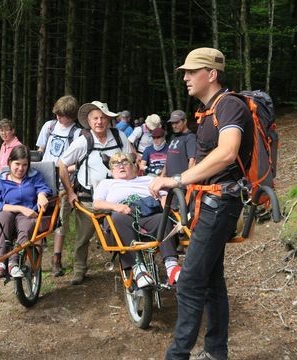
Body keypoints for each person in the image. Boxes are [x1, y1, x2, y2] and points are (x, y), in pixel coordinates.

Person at [149, 48, 253, 360]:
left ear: (212, 74)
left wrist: (177, 179)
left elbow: (227, 153)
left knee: (190, 282)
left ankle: (178, 355)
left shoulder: (230, 106)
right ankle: (216, 352)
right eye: (184, 72)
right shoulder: (207, 112)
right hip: (211, 202)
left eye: (192, 71)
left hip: (221, 203)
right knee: (210, 281)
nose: (185, 77)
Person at [58, 101, 132, 285]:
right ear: (89, 121)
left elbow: (132, 159)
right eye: (95, 118)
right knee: (83, 237)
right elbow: (62, 164)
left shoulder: (119, 136)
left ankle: (130, 266)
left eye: (103, 118)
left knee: (125, 231)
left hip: (117, 197)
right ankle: (79, 270)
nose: (99, 122)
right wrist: (70, 192)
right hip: (88, 198)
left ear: (108, 119)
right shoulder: (84, 140)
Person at [93, 153, 181, 288]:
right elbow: (97, 204)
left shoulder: (147, 179)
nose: (120, 165)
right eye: (115, 164)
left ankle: (172, 266)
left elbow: (164, 197)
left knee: (162, 219)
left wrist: (166, 206)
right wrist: (117, 207)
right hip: (122, 216)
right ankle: (138, 269)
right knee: (117, 218)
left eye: (125, 162)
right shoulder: (107, 183)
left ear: (134, 167)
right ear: (111, 170)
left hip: (148, 214)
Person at [35, 95, 81, 277]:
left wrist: (62, 170)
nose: (58, 118)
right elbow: (40, 151)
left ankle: (56, 258)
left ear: (71, 116)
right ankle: (36, 258)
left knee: (61, 220)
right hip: (44, 179)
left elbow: (78, 162)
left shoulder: (77, 133)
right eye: (57, 114)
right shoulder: (49, 126)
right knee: (39, 216)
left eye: (62, 115)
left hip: (64, 182)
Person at [0, 145, 53, 278]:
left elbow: (43, 188)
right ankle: (1, 261)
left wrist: (42, 194)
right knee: (4, 218)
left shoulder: (34, 176)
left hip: (28, 216)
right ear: (9, 162)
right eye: (17, 164)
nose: (20, 168)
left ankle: (14, 262)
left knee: (26, 225)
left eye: (24, 165)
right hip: (8, 213)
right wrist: (20, 208)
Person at [161, 109, 196, 177]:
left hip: (180, 183)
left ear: (185, 121)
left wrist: (187, 181)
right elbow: (168, 158)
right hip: (169, 180)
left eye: (177, 122)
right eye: (172, 123)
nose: (174, 126)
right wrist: (162, 176)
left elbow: (192, 161)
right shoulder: (173, 136)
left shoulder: (190, 137)